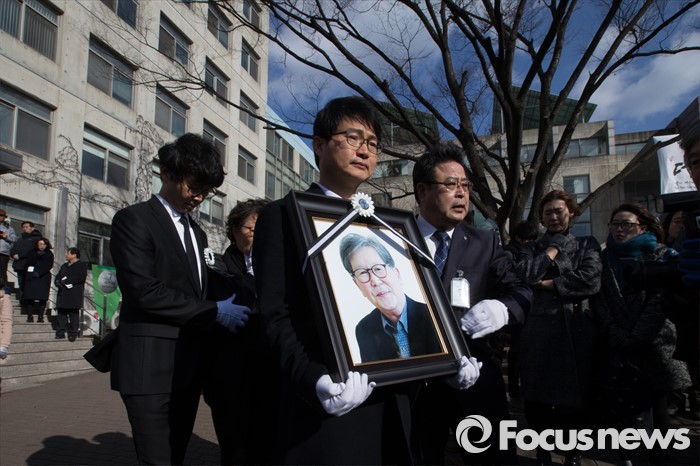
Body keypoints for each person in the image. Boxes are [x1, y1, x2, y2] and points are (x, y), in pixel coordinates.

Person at [253, 97, 480, 464]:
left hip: (395, 410)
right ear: (319, 144)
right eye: (353, 138)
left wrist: (449, 360)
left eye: (372, 143)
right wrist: (315, 379)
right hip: (328, 412)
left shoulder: (387, 226)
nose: (365, 151)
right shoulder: (281, 216)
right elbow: (274, 315)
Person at [108, 133, 251, 465]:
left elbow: (199, 287)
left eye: (206, 191)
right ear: (167, 172)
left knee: (176, 455)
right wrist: (214, 311)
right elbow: (143, 291)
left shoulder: (197, 232)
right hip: (149, 368)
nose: (198, 197)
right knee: (157, 458)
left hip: (187, 368)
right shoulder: (134, 220)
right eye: (193, 187)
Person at [410, 142, 533, 465]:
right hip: (413, 384)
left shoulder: (484, 241)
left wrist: (502, 309)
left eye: (465, 185)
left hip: (476, 375)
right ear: (422, 191)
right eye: (451, 184)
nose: (462, 194)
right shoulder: (395, 238)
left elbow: (520, 290)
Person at [592, 202, 691, 464]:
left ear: (643, 227)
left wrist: (636, 336)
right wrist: (614, 331)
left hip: (654, 345)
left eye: (627, 224)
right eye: (615, 224)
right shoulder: (603, 258)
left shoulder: (662, 255)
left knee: (659, 412)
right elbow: (599, 300)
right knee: (622, 410)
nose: (619, 229)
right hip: (617, 344)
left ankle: (660, 457)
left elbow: (661, 301)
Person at [514, 190, 602, 466]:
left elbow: (590, 280)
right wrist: (553, 249)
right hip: (537, 331)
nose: (553, 216)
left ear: (571, 213)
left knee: (573, 400)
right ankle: (542, 451)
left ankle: (572, 452)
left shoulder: (587, 244)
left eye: (559, 211)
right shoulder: (531, 247)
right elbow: (525, 274)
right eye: (548, 212)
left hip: (575, 330)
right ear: (541, 218)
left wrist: (548, 283)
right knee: (536, 398)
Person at [202, 198, 272, 465]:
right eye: (251, 228)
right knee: (235, 445)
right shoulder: (217, 267)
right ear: (233, 230)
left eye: (263, 229)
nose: (257, 234)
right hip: (230, 374)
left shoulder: (276, 266)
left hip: (269, 371)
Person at [339, 233, 441, 362]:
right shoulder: (363, 329)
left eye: (378, 269)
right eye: (363, 273)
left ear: (397, 274)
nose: (375, 281)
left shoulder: (434, 316)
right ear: (358, 286)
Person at [503, 220, 539, 401]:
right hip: (516, 307)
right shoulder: (509, 254)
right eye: (527, 239)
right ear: (518, 238)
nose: (529, 243)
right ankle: (514, 390)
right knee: (517, 351)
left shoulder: (530, 252)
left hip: (526, 306)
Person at [54, 247, 88, 341]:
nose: (66, 255)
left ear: (74, 255)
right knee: (61, 314)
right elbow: (58, 275)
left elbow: (81, 278)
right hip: (62, 293)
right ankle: (60, 332)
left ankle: (73, 333)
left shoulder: (81, 265)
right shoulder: (64, 266)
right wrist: (57, 281)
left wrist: (67, 281)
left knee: (73, 314)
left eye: (68, 253)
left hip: (73, 294)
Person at [10, 221, 42, 310]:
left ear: (32, 228)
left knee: (29, 285)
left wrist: (20, 255)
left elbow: (31, 251)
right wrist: (14, 254)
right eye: (23, 227)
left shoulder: (36, 239)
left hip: (30, 265)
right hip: (20, 265)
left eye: (27, 227)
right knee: (21, 284)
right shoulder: (20, 239)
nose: (25, 229)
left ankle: (29, 303)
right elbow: (13, 249)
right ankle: (22, 301)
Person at [22, 237, 54, 323]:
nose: (42, 246)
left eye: (44, 244)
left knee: (42, 298)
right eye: (40, 244)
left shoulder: (49, 253)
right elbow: (28, 262)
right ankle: (30, 316)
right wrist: (37, 255)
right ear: (37, 244)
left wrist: (40, 273)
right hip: (32, 276)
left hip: (43, 277)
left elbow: (49, 265)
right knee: (30, 297)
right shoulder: (32, 252)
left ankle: (40, 317)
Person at [0, 210, 17, 293]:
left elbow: (14, 239)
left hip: (3, 252)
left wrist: (6, 237)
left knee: (2, 272)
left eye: (1, 216)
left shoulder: (9, 228)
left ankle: (4, 289)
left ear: (4, 217)